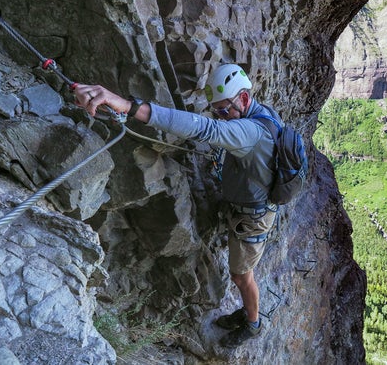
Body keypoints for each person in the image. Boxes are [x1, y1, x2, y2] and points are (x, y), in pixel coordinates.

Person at [74, 63, 280, 348]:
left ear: (243, 98)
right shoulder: (263, 113)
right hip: (249, 204)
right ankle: (248, 313)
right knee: (242, 273)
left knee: (241, 275)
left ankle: (253, 323)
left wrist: (127, 106)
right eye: (216, 110)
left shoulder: (249, 131)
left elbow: (204, 129)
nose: (220, 117)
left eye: (223, 110)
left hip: (253, 218)